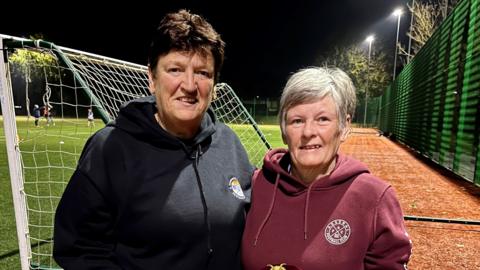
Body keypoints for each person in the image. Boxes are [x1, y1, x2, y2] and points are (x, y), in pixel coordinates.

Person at [53, 9, 254, 270]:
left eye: (203, 73)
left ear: (214, 83)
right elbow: (78, 249)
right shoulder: (111, 148)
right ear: (151, 78)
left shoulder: (230, 144)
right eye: (175, 69)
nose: (190, 85)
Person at [242, 67, 411, 270]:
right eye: (297, 121)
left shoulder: (374, 198)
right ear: (284, 131)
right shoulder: (257, 184)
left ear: (344, 126)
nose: (308, 132)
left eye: (322, 119)